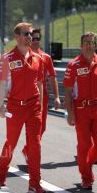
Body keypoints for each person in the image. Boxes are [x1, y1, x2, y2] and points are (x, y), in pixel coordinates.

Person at [0, 22, 46, 193]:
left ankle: (35, 183)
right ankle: (1, 174)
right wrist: (1, 105)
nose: (30, 37)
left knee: (35, 145)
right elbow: (1, 83)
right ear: (17, 37)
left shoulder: (39, 58)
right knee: (11, 142)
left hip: (33, 107)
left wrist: (39, 106)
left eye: (31, 34)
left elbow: (39, 84)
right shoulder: (7, 58)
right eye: (26, 34)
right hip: (15, 107)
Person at [63, 31, 97, 190]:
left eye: (91, 42)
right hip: (80, 110)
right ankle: (86, 177)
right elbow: (67, 91)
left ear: (95, 45)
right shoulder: (73, 65)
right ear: (81, 46)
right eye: (85, 43)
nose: (88, 45)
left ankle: (85, 163)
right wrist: (70, 113)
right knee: (84, 144)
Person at [22, 29, 61, 161]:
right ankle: (31, 154)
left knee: (41, 128)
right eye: (33, 38)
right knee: (30, 128)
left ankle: (27, 149)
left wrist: (56, 97)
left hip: (42, 97)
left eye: (38, 38)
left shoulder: (46, 57)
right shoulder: (22, 55)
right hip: (25, 97)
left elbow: (52, 77)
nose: (36, 41)